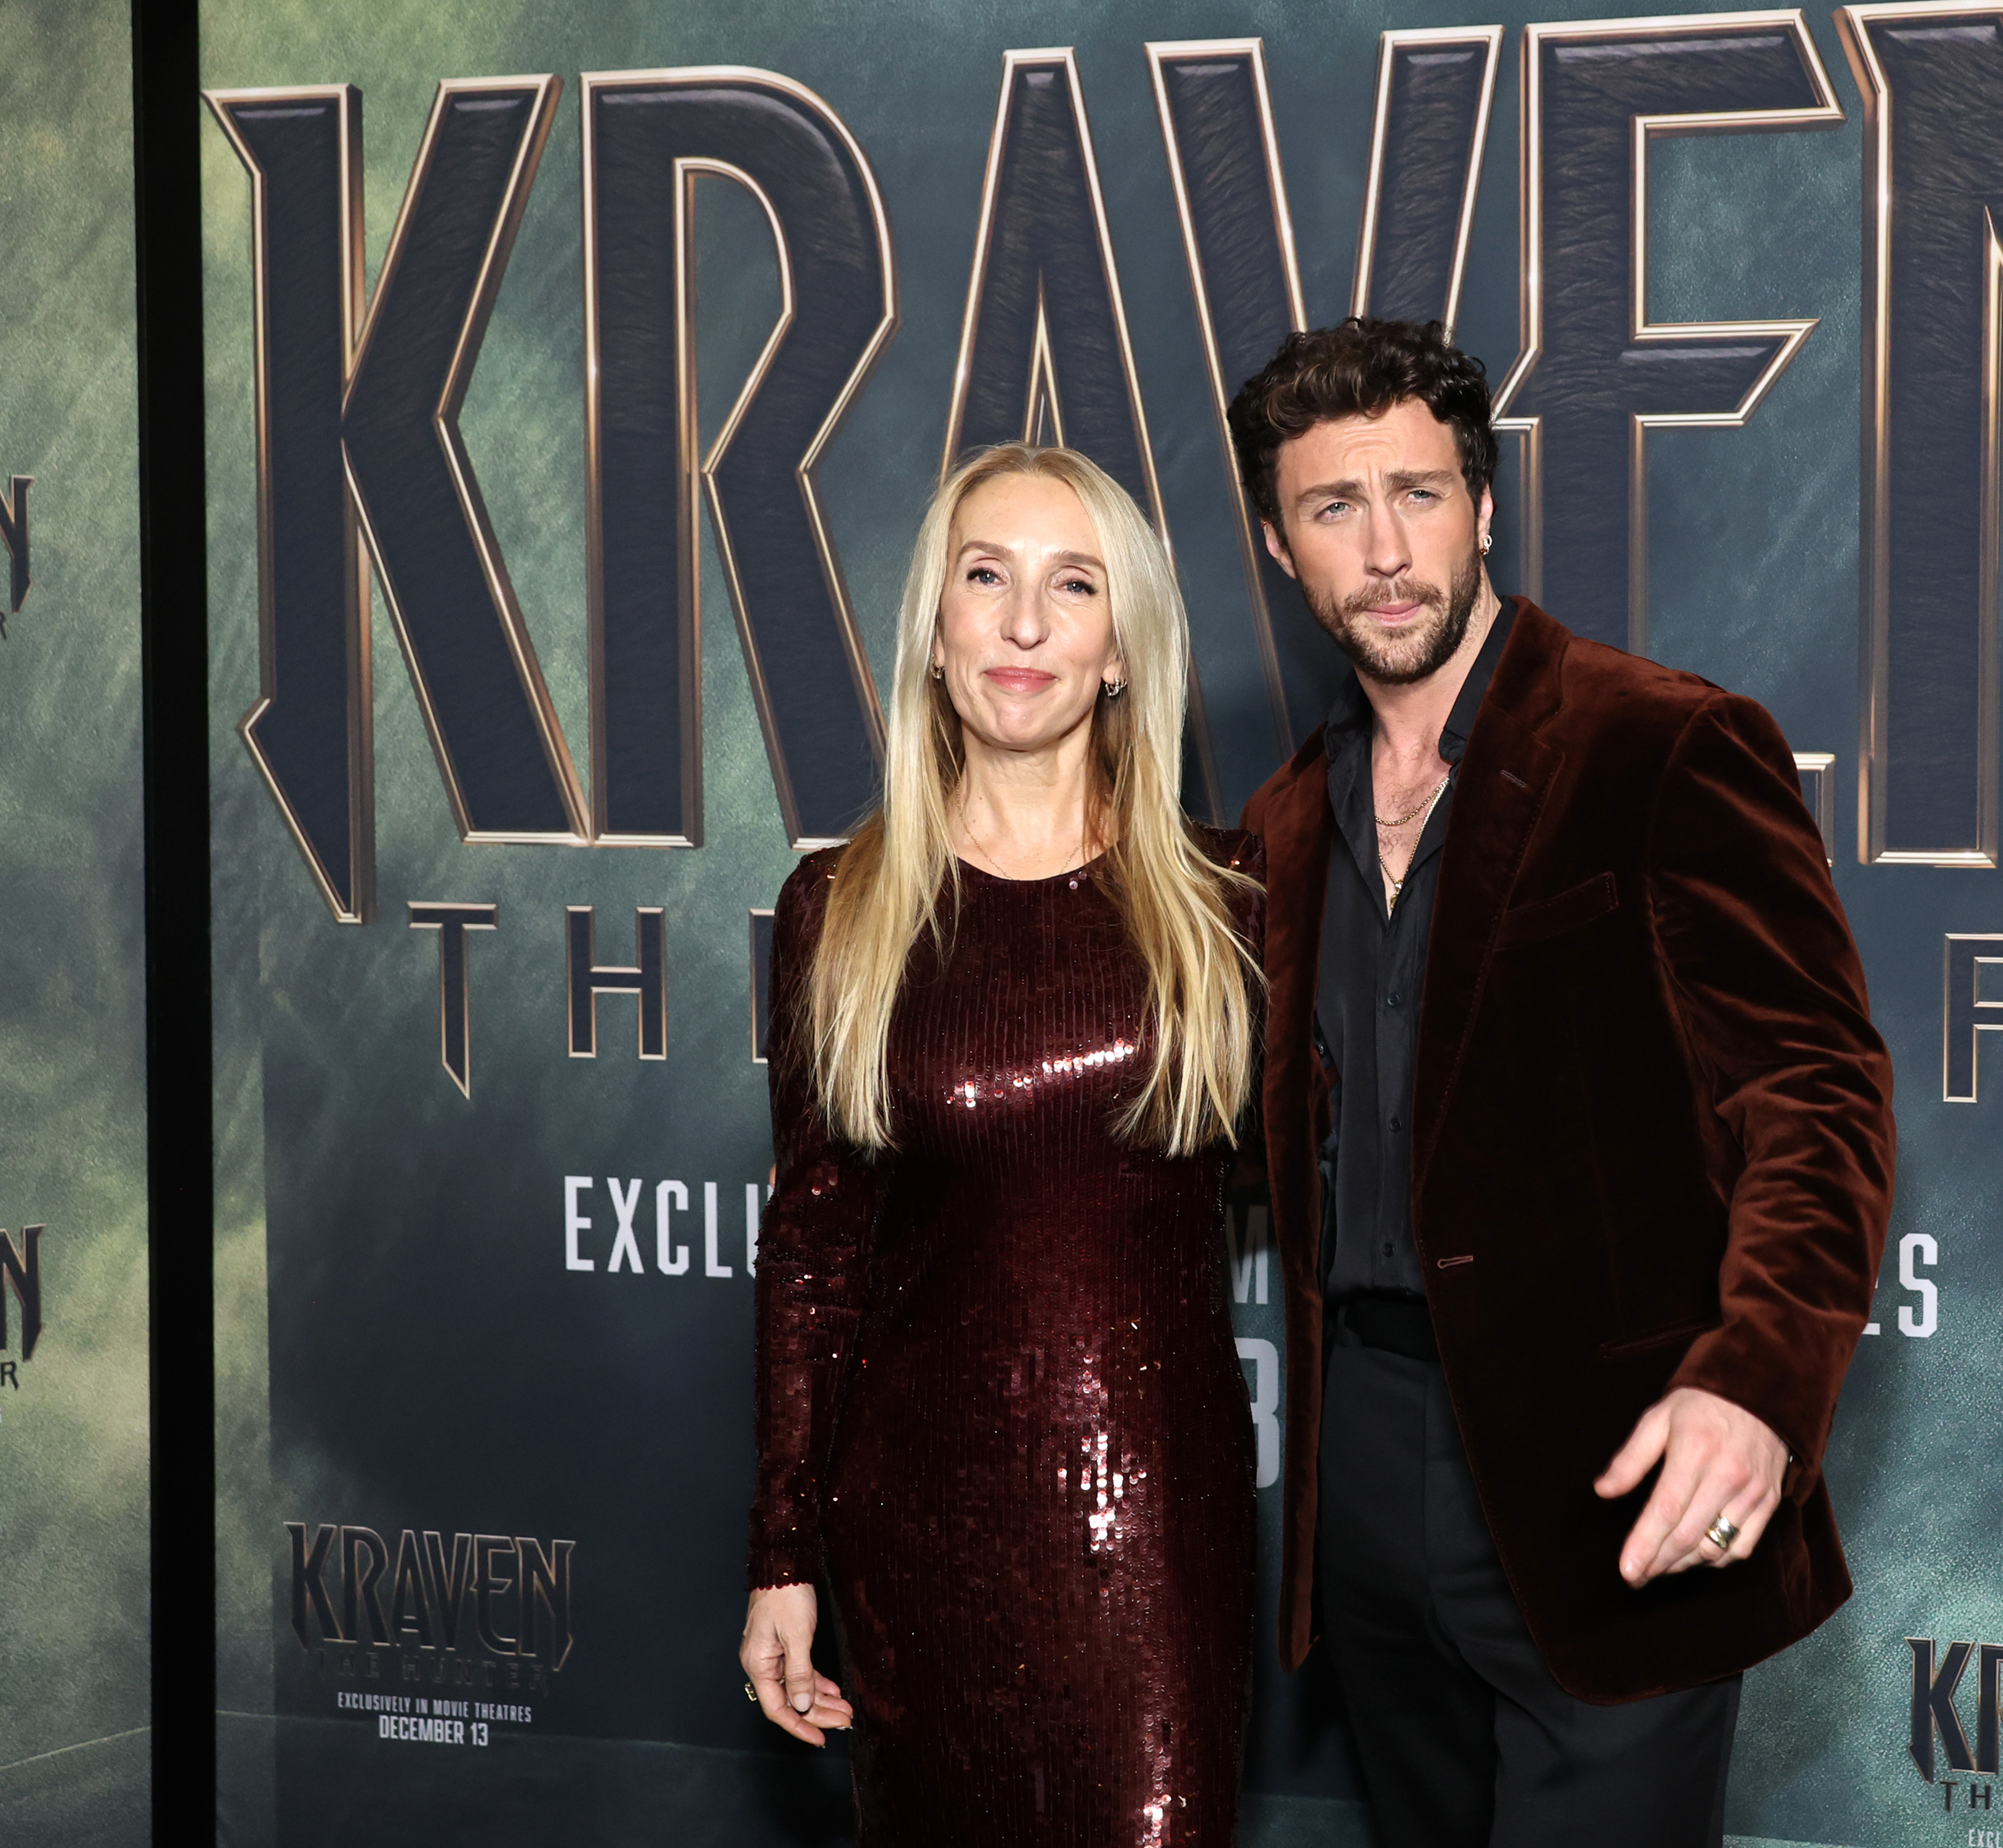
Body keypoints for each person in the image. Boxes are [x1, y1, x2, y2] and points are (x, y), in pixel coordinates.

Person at [1225, 318, 1896, 1846]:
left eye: (1421, 493)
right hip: (1367, 1475)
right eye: (1337, 508)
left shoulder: (1662, 746)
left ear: (1484, 506)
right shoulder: (1274, 830)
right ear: (1277, 543)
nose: (1387, 550)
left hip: (1620, 1468)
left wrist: (1758, 1382)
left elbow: (1819, 1092)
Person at [739, 444, 1264, 1845]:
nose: (1024, 622)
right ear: (937, 630)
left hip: (1160, 1536)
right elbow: (813, 1252)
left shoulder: (1232, 904)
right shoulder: (837, 909)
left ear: (1119, 653)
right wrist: (783, 1558)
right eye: (987, 577)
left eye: (1072, 584)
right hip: (913, 1543)